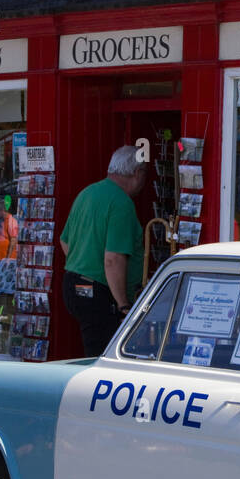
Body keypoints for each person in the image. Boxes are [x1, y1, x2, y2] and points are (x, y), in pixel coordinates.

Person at [59, 144, 147, 356]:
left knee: (93, 346)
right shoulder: (121, 203)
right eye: (144, 174)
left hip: (74, 283)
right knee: (103, 354)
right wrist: (124, 305)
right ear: (137, 173)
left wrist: (84, 262)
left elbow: (65, 241)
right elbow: (113, 259)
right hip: (99, 291)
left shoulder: (87, 193)